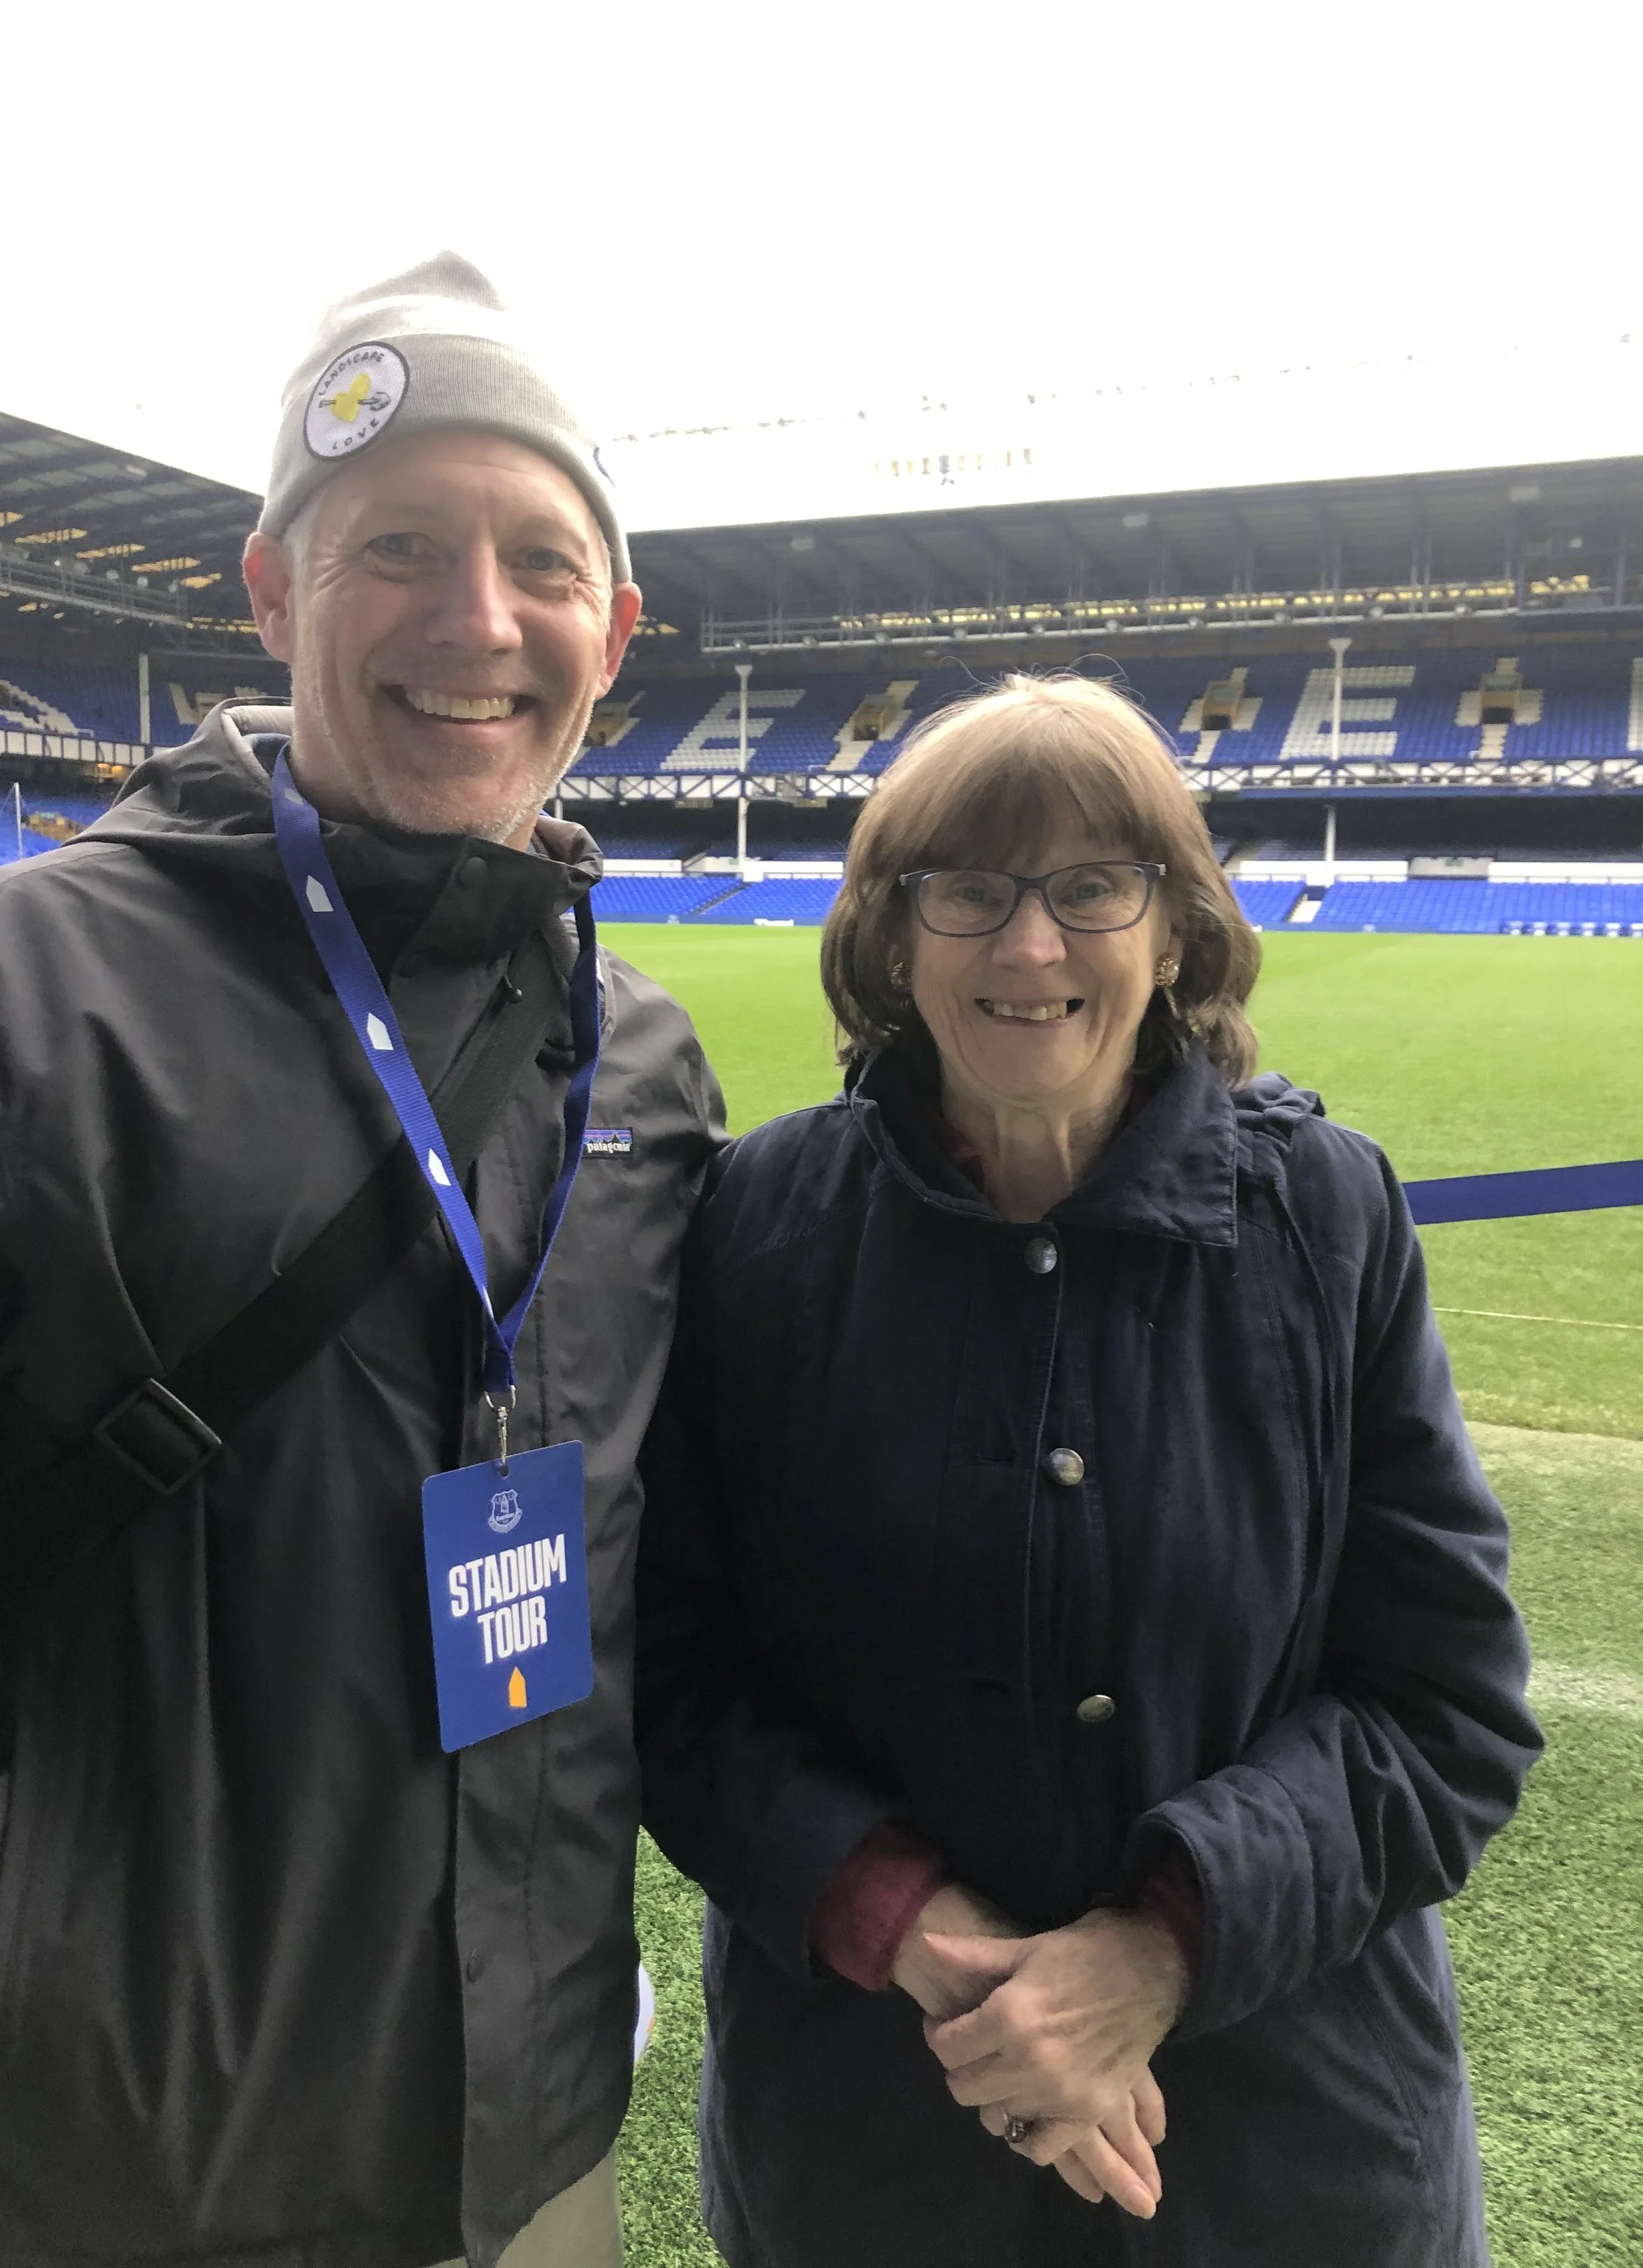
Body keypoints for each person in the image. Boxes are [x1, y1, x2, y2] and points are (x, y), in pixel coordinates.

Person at [0, 254, 724, 2268]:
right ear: (273, 591)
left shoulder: (634, 1055)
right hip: (113, 2172)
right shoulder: (7, 1008)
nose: (479, 621)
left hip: (527, 2143)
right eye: (400, 548)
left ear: (613, 630)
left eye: (540, 561)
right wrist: (18, 2001)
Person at [635, 674, 1542, 2268]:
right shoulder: (759, 1228)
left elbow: (1444, 1706)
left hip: (1287, 2160)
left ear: (1175, 929)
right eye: (967, 889)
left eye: (1089, 887)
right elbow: (671, 1674)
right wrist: (909, 1927)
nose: (1028, 944)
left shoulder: (1326, 1220)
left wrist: (1160, 1943)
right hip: (873, 2156)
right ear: (890, 936)